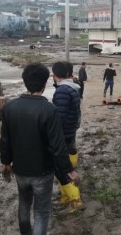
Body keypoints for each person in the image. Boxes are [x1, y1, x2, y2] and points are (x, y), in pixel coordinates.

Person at [0, 63, 79, 234]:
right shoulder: (49, 110)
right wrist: (69, 170)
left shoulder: (9, 107)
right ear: (44, 84)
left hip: (20, 169)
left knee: (24, 203)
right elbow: (57, 147)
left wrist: (5, 162)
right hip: (42, 171)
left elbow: (5, 139)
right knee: (41, 212)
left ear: (25, 82)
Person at [52, 61, 84, 213]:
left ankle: (75, 200)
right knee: (62, 165)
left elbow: (60, 117)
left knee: (61, 166)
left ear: (56, 75)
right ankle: (66, 196)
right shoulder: (73, 87)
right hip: (70, 130)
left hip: (63, 133)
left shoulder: (62, 91)